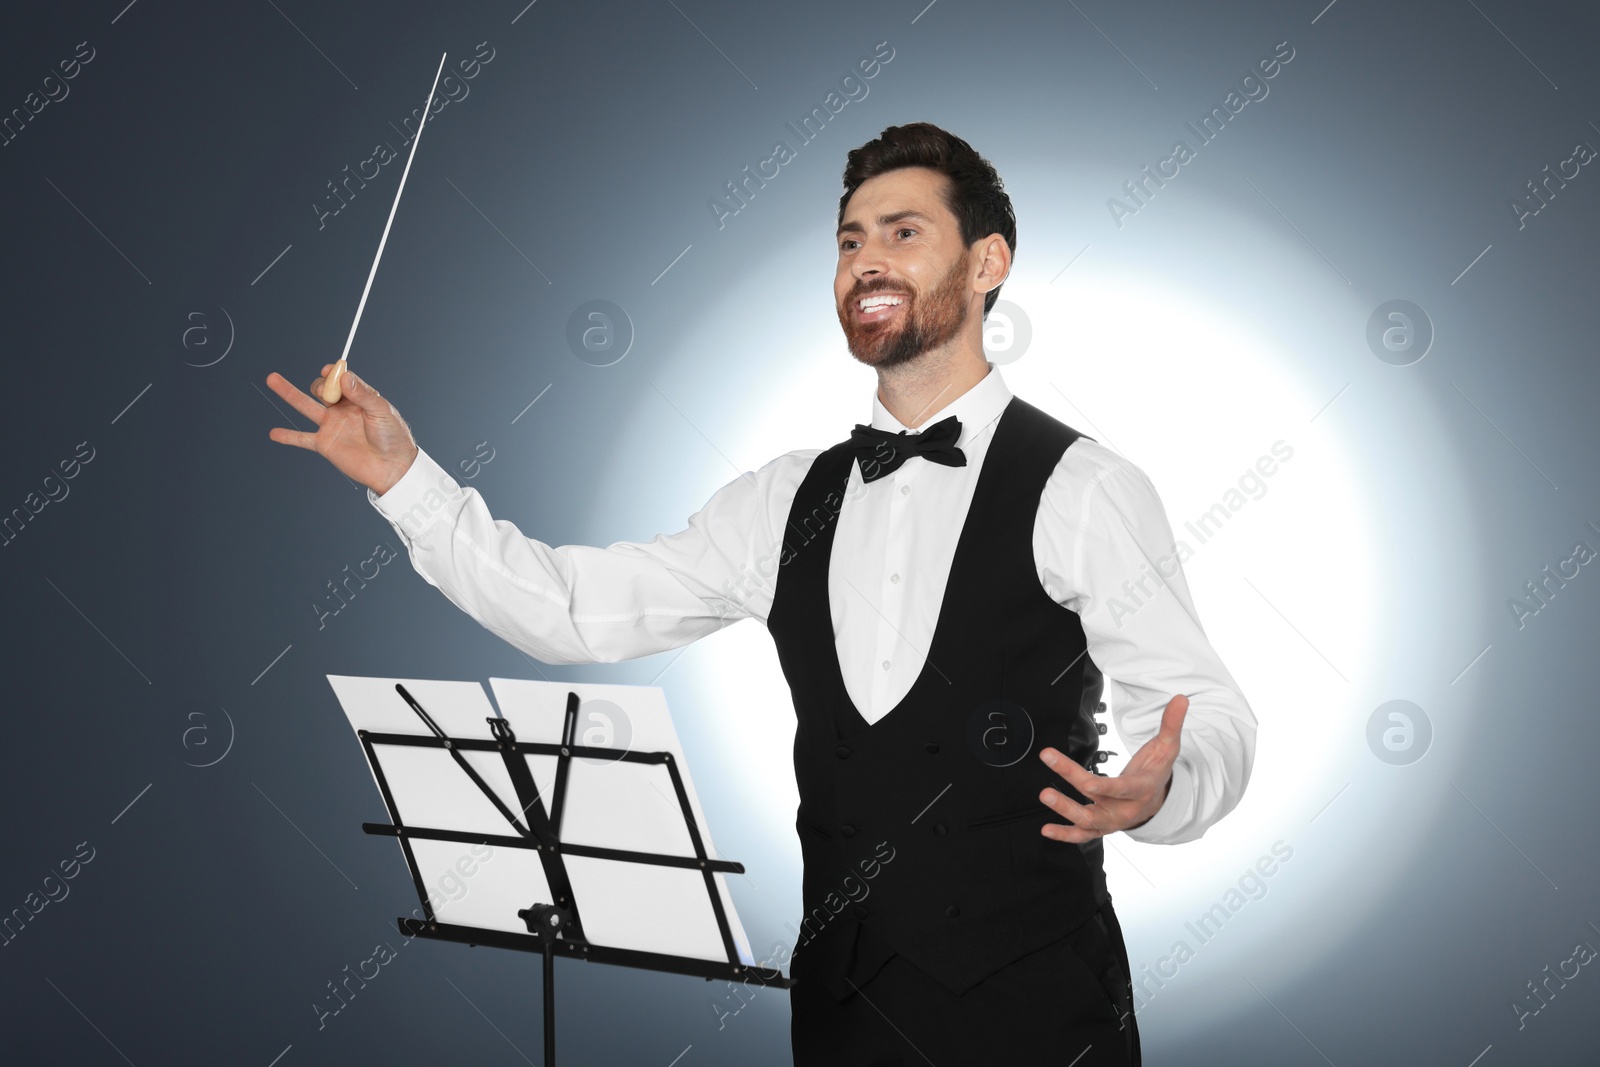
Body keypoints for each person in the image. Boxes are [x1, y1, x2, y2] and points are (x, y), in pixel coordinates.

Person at [267, 121, 1256, 1066]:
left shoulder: (1084, 487)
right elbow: (569, 606)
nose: (866, 261)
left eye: (903, 234)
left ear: (987, 262)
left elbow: (1203, 709)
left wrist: (1161, 787)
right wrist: (406, 481)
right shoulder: (785, 497)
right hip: (839, 1013)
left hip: (1037, 1014)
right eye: (849, 240)